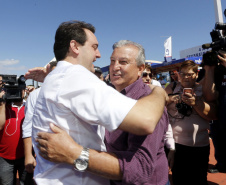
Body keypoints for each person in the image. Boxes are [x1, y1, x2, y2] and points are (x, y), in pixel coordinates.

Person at [24, 20, 168, 185]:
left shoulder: (148, 102)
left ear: (141, 69)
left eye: (123, 62)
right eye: (94, 47)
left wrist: (75, 154)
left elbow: (139, 169)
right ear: (75, 46)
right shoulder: (73, 77)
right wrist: (160, 93)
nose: (112, 66)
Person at [165, 60, 217, 185]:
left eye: (189, 74)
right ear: (178, 74)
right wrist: (171, 98)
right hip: (177, 145)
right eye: (182, 74)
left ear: (196, 74)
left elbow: (214, 115)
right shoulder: (171, 88)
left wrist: (196, 103)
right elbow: (158, 106)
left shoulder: (203, 90)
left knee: (199, 180)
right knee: (178, 179)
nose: (185, 77)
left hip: (200, 146)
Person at [22, 61, 57, 174]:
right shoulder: (35, 95)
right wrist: (28, 155)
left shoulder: (74, 94)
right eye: (53, 73)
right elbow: (28, 125)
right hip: (42, 155)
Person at [0, 76, 34, 185]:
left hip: (25, 155)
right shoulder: (3, 106)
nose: (17, 93)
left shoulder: (29, 106)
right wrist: (2, 103)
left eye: (20, 90)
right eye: (13, 90)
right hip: (5, 157)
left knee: (26, 183)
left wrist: (32, 96)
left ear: (24, 90)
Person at [202, 49, 226, 173]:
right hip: (217, 115)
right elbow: (209, 96)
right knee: (218, 139)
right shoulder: (207, 71)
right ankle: (221, 163)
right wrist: (210, 70)